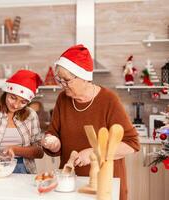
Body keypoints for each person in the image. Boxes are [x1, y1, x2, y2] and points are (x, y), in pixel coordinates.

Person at [41, 44, 140, 200]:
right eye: (59, 79)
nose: (62, 85)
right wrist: (52, 142)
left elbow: (132, 144)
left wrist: (95, 152)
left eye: (66, 80)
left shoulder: (109, 100)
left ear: (84, 78)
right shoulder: (63, 99)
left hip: (104, 186)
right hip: (70, 184)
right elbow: (54, 134)